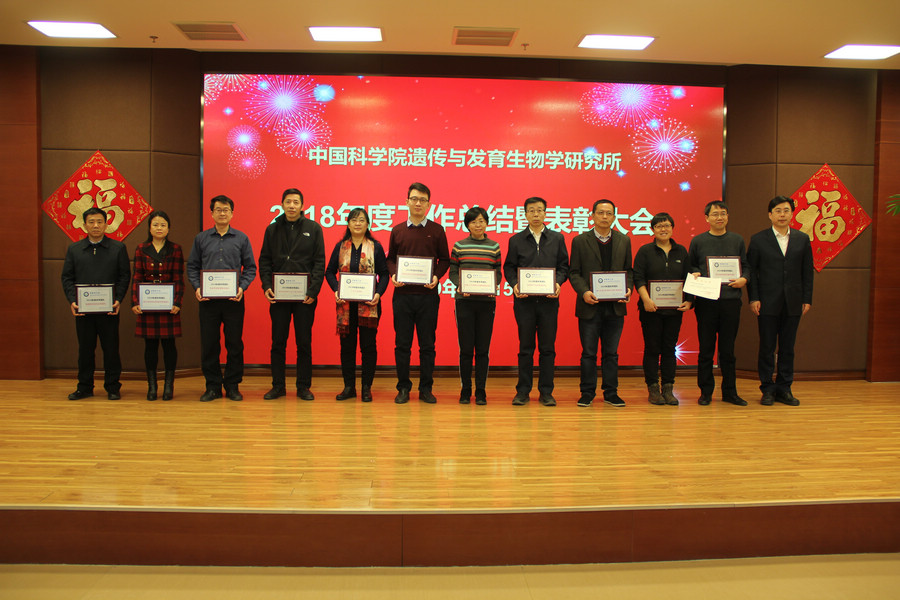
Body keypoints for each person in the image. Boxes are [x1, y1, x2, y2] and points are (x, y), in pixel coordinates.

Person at [186, 195, 257, 402]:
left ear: (232, 213)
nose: (222, 213)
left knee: (234, 344)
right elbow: (192, 266)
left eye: (226, 210)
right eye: (218, 210)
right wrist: (197, 287)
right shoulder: (201, 239)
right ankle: (213, 386)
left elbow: (250, 268)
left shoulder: (242, 238)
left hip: (233, 300)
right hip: (208, 301)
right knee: (209, 344)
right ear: (212, 213)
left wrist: (242, 287)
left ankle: (233, 385)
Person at [258, 188, 326, 401]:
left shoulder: (313, 228)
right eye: (288, 202)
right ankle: (278, 386)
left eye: (296, 202)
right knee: (278, 342)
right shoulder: (272, 229)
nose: (292, 206)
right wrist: (266, 286)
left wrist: (313, 290)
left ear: (302, 206)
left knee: (303, 342)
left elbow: (319, 262)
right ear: (282, 204)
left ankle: (303, 387)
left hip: (305, 297)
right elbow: (264, 260)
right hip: (279, 296)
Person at [386, 182, 450, 404]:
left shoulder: (437, 230)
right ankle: (403, 387)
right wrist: (394, 274)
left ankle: (426, 388)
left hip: (427, 297)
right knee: (402, 345)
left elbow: (445, 260)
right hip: (402, 296)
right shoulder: (397, 230)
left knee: (427, 345)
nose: (418, 203)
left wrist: (436, 277)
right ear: (407, 202)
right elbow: (390, 259)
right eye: (414, 199)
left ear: (429, 205)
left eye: (423, 200)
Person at [747, 196, 814, 406]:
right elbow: (751, 272)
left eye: (786, 210)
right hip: (766, 301)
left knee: (787, 348)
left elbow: (807, 272)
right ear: (770, 215)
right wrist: (754, 298)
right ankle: (767, 388)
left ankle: (785, 388)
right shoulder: (758, 239)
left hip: (793, 301)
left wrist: (807, 299)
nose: (782, 214)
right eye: (778, 211)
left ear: (792, 214)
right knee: (767, 347)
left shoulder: (802, 239)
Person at [503, 196, 569, 407]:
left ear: (545, 213)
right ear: (525, 214)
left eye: (539, 210)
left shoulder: (557, 238)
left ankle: (546, 392)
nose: (536, 214)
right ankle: (522, 391)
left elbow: (564, 266)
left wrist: (558, 283)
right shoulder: (516, 240)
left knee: (547, 348)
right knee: (526, 348)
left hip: (549, 302)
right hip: (525, 303)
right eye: (531, 210)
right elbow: (509, 267)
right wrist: (515, 284)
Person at [61, 206, 131, 400]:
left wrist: (118, 299)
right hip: (83, 311)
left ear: (106, 224)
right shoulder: (74, 249)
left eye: (100, 222)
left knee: (111, 350)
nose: (96, 225)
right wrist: (73, 301)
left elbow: (124, 276)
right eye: (91, 222)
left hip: (109, 310)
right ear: (84, 225)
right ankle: (84, 387)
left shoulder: (118, 248)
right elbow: (67, 277)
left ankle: (113, 387)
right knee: (85, 350)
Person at [569, 199, 633, 408]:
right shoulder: (580, 241)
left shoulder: (624, 240)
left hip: (615, 307)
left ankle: (611, 393)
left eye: (609, 213)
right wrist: (584, 292)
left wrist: (628, 288)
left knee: (611, 353)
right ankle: (587, 392)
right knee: (588, 353)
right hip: (589, 305)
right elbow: (574, 272)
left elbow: (629, 271)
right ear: (592, 215)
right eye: (600, 213)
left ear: (614, 216)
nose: (605, 217)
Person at [687, 200, 749, 406]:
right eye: (715, 214)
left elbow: (746, 266)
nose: (719, 217)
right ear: (707, 218)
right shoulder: (698, 241)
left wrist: (744, 279)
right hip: (707, 301)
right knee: (706, 349)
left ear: (728, 217)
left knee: (728, 350)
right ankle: (705, 392)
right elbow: (691, 266)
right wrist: (695, 273)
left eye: (723, 213)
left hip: (731, 301)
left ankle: (730, 392)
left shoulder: (737, 240)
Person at [325, 208, 389, 402]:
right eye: (354, 220)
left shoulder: (375, 247)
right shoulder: (340, 246)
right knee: (347, 347)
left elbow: (384, 274)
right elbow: (329, 272)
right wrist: (336, 289)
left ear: (368, 224)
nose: (358, 223)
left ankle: (366, 387)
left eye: (362, 220)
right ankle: (349, 387)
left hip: (369, 304)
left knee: (368, 347)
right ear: (348, 224)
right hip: (346, 306)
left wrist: (378, 294)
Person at [633, 212, 692, 406]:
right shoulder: (645, 251)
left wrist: (689, 301)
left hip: (674, 310)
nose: (663, 229)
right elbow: (638, 277)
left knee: (669, 349)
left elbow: (689, 277)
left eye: (667, 225)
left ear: (672, 228)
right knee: (652, 348)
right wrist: (646, 299)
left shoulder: (681, 251)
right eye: (659, 226)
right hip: (651, 309)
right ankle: (653, 389)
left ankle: (668, 388)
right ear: (653, 230)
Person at [449, 206, 502, 405]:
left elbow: (498, 273)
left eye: (481, 221)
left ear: (486, 223)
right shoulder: (459, 246)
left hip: (486, 303)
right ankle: (465, 390)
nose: (478, 225)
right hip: (464, 302)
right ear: (467, 225)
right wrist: (460, 285)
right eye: (473, 221)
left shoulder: (494, 247)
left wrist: (493, 284)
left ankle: (480, 391)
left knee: (482, 349)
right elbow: (453, 271)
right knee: (465, 349)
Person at [131, 210, 185, 401]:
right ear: (149, 228)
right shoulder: (141, 248)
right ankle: (152, 386)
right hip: (148, 305)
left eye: (163, 225)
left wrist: (177, 302)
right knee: (150, 347)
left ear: (168, 228)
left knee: (169, 346)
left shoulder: (175, 249)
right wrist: (135, 302)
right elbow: (137, 277)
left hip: (168, 305)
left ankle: (169, 386)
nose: (159, 228)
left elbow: (178, 278)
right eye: (155, 224)